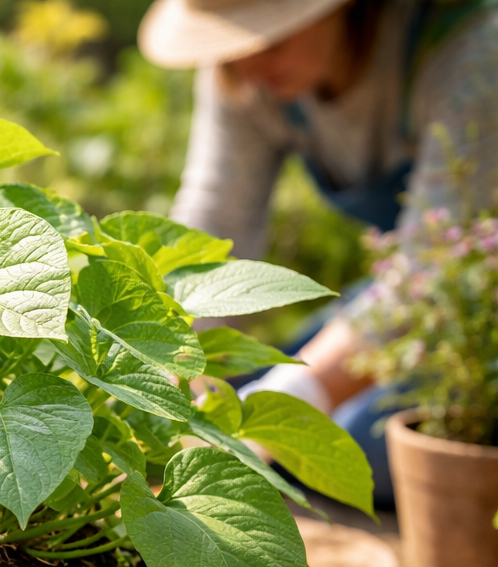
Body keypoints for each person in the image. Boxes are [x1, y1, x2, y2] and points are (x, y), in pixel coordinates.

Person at [139, 0, 498, 506]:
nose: (247, 65)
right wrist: (164, 371)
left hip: (470, 306)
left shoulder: (469, 49)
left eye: (270, 38)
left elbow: (431, 269)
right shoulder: (241, 73)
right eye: (231, 44)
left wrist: (292, 404)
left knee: (356, 440)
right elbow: (217, 222)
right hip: (406, 293)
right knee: (255, 394)